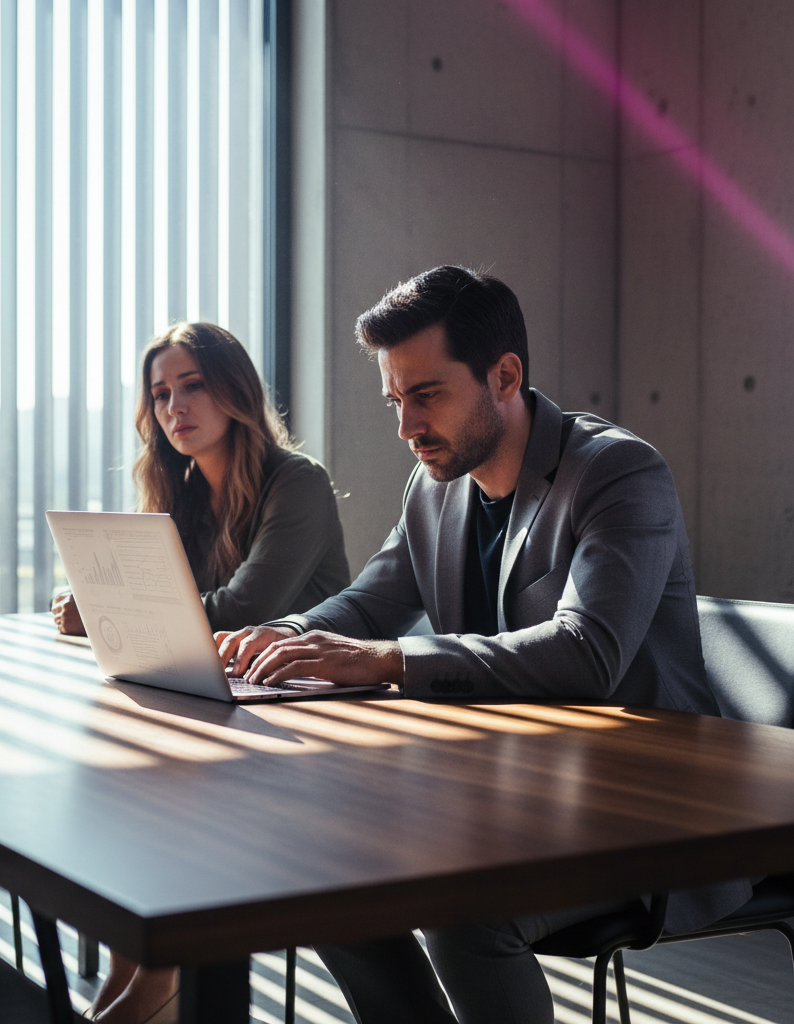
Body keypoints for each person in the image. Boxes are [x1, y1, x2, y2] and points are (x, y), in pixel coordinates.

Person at [216, 266, 752, 1024]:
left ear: (505, 375)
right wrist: (284, 635)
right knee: (325, 874)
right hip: (515, 795)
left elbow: (588, 651)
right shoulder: (434, 487)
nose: (405, 427)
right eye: (395, 400)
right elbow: (373, 601)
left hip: (644, 814)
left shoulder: (618, 472)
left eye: (426, 394)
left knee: (463, 906)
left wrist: (396, 660)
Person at [68, 322, 350, 1024]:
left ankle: (142, 1001)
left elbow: (240, 609)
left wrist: (118, 606)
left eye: (191, 385)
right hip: (228, 720)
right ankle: (136, 996)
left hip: (314, 731)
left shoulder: (299, 482)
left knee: (165, 833)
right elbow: (167, 616)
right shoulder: (186, 491)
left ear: (235, 389)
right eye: (161, 394)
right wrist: (94, 603)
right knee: (137, 822)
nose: (174, 407)